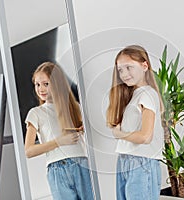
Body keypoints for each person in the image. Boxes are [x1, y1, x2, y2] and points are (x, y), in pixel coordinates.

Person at [24, 62, 94, 200]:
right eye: (37, 85)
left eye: (46, 84)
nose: (41, 89)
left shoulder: (75, 108)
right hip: (57, 169)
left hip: (82, 165)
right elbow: (29, 151)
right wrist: (59, 141)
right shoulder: (36, 113)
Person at [106, 45, 164, 200]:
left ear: (145, 66)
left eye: (129, 67)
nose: (124, 74)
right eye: (120, 70)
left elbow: (146, 137)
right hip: (125, 160)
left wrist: (119, 134)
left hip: (141, 162)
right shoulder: (134, 96)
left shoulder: (148, 94)